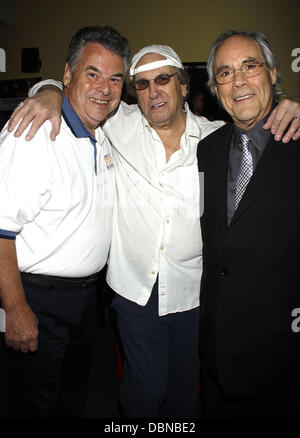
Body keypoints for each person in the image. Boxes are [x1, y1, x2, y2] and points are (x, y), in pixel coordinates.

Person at [7, 42, 300, 418]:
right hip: (133, 292)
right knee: (145, 393)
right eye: (141, 85)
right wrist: (46, 92)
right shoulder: (118, 123)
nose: (153, 91)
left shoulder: (214, 142)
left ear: (183, 85)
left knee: (185, 394)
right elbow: (80, 89)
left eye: (163, 79)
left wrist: (288, 105)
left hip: (193, 292)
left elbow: (259, 133)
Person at [0, 25, 130, 417]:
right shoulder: (34, 134)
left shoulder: (106, 130)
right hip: (35, 297)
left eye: (115, 78)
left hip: (86, 301)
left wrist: (49, 89)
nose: (104, 89)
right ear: (69, 75)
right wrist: (15, 310)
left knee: (74, 393)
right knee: (32, 403)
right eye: (92, 74)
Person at [197, 29, 300, 418]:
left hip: (284, 360)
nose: (237, 81)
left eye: (249, 66)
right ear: (215, 88)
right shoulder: (207, 149)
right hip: (217, 352)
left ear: (273, 73)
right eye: (224, 73)